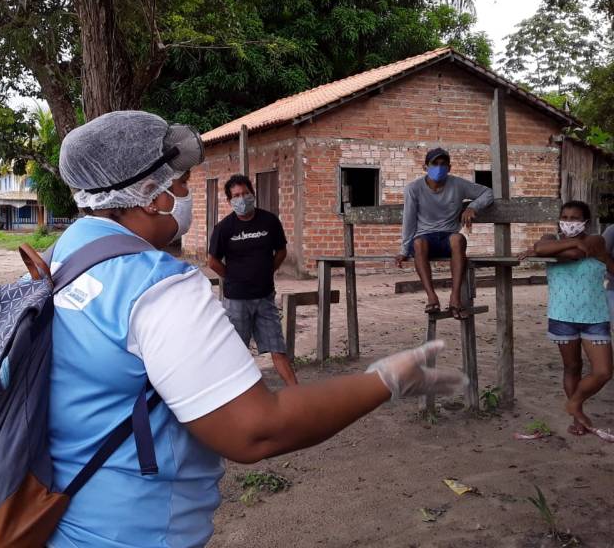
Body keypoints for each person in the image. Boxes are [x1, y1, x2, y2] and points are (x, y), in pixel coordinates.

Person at [46, 110, 465, 547]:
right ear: (152, 195)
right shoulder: (155, 286)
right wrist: (385, 381)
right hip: (131, 536)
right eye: (182, 183)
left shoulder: (52, 265)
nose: (187, 193)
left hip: (55, 522)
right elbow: (255, 430)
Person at [519, 200, 613, 436]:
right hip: (562, 316)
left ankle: (574, 403)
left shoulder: (597, 240)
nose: (569, 222)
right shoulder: (551, 238)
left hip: (594, 315)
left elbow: (567, 254)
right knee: (572, 367)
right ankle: (578, 420)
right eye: (566, 217)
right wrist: (554, 247)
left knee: (603, 371)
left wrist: (547, 250)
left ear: (586, 222)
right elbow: (550, 249)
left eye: (575, 218)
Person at [207, 174, 297, 386]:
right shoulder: (224, 228)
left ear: (253, 194)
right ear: (230, 201)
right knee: (237, 354)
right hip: (236, 300)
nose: (242, 198)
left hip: (265, 297)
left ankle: (297, 393)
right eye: (236, 195)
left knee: (278, 349)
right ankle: (236, 397)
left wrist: (268, 271)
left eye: (245, 193)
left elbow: (281, 251)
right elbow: (212, 261)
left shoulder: (269, 221)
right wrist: (234, 277)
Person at [395, 148, 493, 319]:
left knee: (458, 238)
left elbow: (488, 192)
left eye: (443, 164)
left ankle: (455, 298)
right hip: (426, 240)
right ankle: (431, 297)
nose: (439, 168)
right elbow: (409, 220)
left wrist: (472, 207)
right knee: (418, 243)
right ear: (425, 167)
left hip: (448, 238)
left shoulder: (458, 184)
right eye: (434, 164)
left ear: (449, 167)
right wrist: (404, 250)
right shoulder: (413, 188)